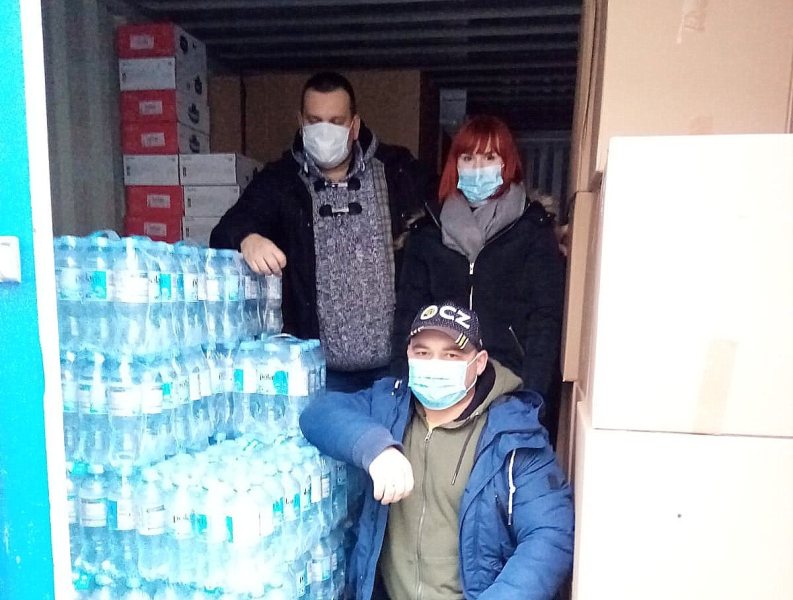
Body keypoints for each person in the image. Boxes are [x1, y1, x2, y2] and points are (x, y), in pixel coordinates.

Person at [301, 301, 574, 600]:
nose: (435, 364)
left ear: (479, 362)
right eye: (423, 353)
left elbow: (549, 535)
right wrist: (376, 448)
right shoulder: (388, 405)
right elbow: (318, 413)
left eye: (451, 355)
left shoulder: (513, 433)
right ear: (408, 354)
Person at [210, 72, 433, 392]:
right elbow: (225, 229)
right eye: (315, 121)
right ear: (301, 122)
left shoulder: (397, 171)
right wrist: (248, 238)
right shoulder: (281, 181)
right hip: (317, 373)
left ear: (354, 126)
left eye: (336, 121)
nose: (325, 131)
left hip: (394, 367)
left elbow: (440, 225)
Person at [392, 116, 565, 439]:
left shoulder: (533, 230)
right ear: (455, 164)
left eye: (489, 157)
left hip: (510, 379)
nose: (477, 167)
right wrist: (400, 386)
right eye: (468, 157)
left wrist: (533, 395)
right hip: (445, 380)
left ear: (506, 163)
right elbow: (407, 314)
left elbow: (545, 320)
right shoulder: (426, 233)